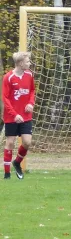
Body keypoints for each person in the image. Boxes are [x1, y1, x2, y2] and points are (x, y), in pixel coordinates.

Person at [2, 52, 35, 180]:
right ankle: (7, 174)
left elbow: (32, 90)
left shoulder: (29, 75)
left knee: (27, 142)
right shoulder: (8, 78)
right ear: (20, 63)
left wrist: (31, 103)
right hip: (11, 117)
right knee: (10, 143)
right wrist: (15, 115)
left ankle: (17, 162)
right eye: (27, 61)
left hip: (26, 116)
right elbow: (5, 98)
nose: (29, 63)